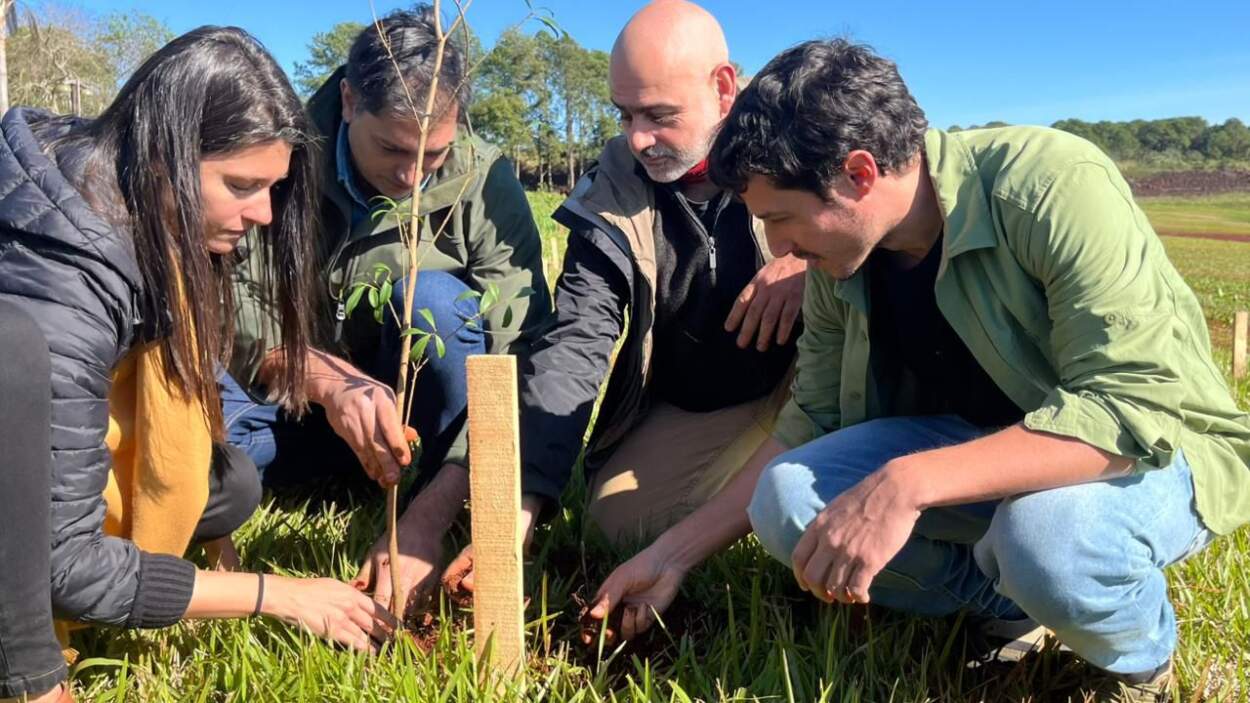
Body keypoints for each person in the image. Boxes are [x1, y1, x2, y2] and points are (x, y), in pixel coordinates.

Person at [600, 37, 1250, 700]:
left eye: (781, 219)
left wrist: (910, 482)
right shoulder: (839, 259)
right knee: (786, 500)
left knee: (1046, 538)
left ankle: (1137, 660)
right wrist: (671, 555)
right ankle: (1014, 606)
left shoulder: (1050, 183)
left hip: (1156, 450)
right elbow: (810, 421)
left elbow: (1127, 411)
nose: (779, 249)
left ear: (858, 172)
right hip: (980, 444)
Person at [0, 27, 398, 703]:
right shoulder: (59, 285)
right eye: (242, 185)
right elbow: (64, 564)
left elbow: (191, 389)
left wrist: (223, 548)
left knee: (229, 485)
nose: (266, 214)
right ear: (167, 161)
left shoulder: (133, 204)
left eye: (272, 187)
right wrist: (278, 596)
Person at [440, 0, 807, 594]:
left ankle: (794, 476)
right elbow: (575, 346)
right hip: (705, 404)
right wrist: (523, 503)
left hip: (816, 379)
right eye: (625, 114)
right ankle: (758, 475)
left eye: (660, 115)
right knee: (618, 525)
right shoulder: (612, 189)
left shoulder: (802, 141)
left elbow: (883, 225)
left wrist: (809, 262)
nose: (639, 138)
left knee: (806, 500)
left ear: (723, 88)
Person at [222, 5, 552, 617]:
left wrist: (431, 515)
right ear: (348, 100)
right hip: (297, 407)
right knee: (207, 432)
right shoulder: (277, 160)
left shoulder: (484, 181)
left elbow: (520, 349)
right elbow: (233, 312)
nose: (412, 176)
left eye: (432, 156)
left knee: (435, 300)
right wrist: (326, 382)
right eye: (393, 148)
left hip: (425, 429)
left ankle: (425, 485)